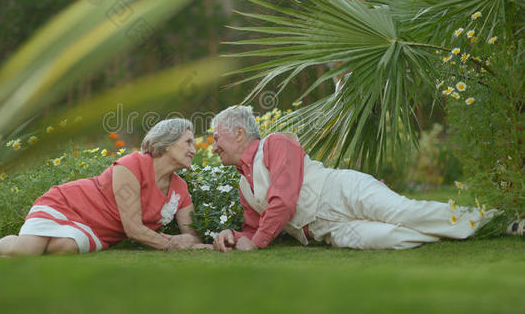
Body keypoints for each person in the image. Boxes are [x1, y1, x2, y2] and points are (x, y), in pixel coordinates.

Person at [211, 106, 498, 251]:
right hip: (326, 231)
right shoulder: (243, 183)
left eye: (216, 138)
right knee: (391, 238)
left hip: (341, 191)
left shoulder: (275, 143)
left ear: (239, 133)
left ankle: (491, 220)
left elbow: (283, 201)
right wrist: (235, 237)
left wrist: (258, 242)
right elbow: (255, 226)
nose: (213, 147)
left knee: (403, 212)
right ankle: (463, 230)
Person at [0, 118, 209, 258]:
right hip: (69, 203)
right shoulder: (131, 166)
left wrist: (194, 243)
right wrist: (173, 244)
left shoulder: (180, 189)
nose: (194, 150)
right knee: (24, 252)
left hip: (98, 230)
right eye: (188, 142)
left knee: (62, 247)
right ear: (167, 143)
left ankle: (18, 244)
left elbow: (190, 233)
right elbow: (133, 228)